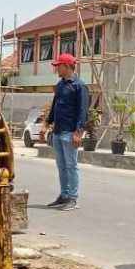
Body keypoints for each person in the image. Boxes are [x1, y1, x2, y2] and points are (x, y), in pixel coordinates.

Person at [45, 53, 89, 212]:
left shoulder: (79, 86)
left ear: (67, 66)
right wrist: (47, 123)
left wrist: (78, 132)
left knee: (71, 166)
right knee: (61, 166)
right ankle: (64, 196)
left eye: (59, 66)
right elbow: (54, 106)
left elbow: (83, 111)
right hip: (58, 132)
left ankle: (73, 198)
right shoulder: (61, 85)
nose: (56, 69)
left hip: (70, 133)